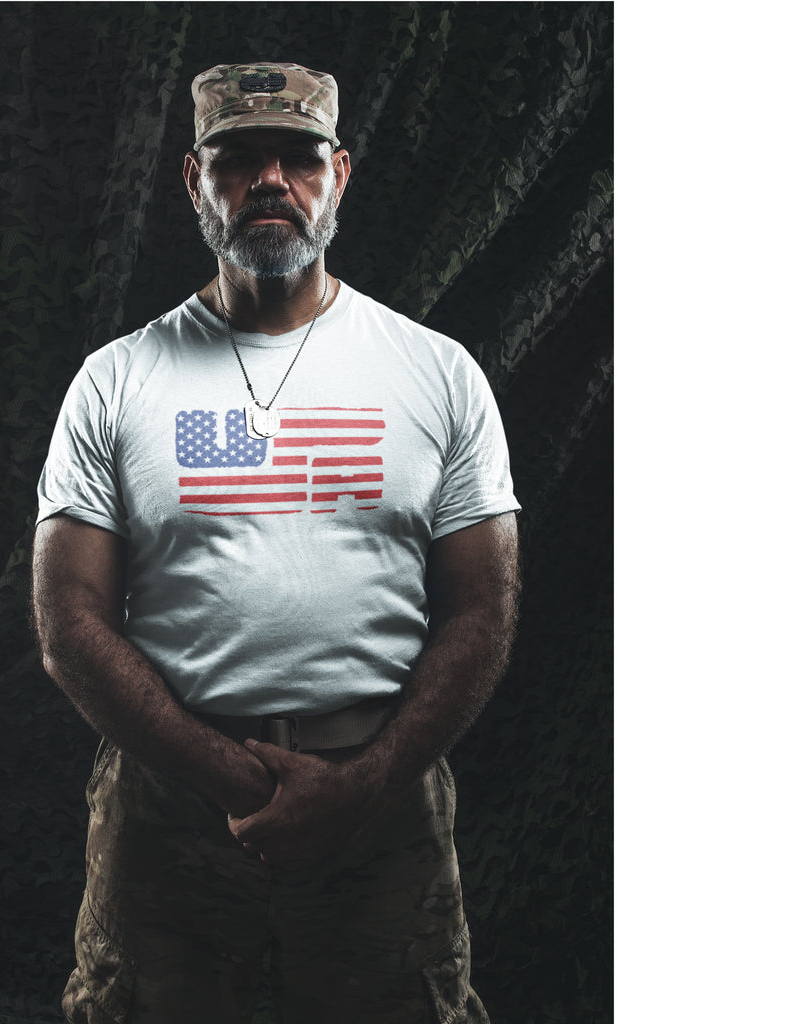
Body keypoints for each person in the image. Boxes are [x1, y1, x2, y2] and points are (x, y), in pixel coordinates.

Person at [33, 61, 520, 1024]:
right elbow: (67, 618)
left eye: (296, 157)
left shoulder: (437, 373)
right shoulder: (116, 380)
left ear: (339, 174)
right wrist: (221, 770)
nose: (269, 181)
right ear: (192, 179)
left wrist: (366, 783)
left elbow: (484, 608)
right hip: (168, 804)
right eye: (238, 158)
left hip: (382, 802)